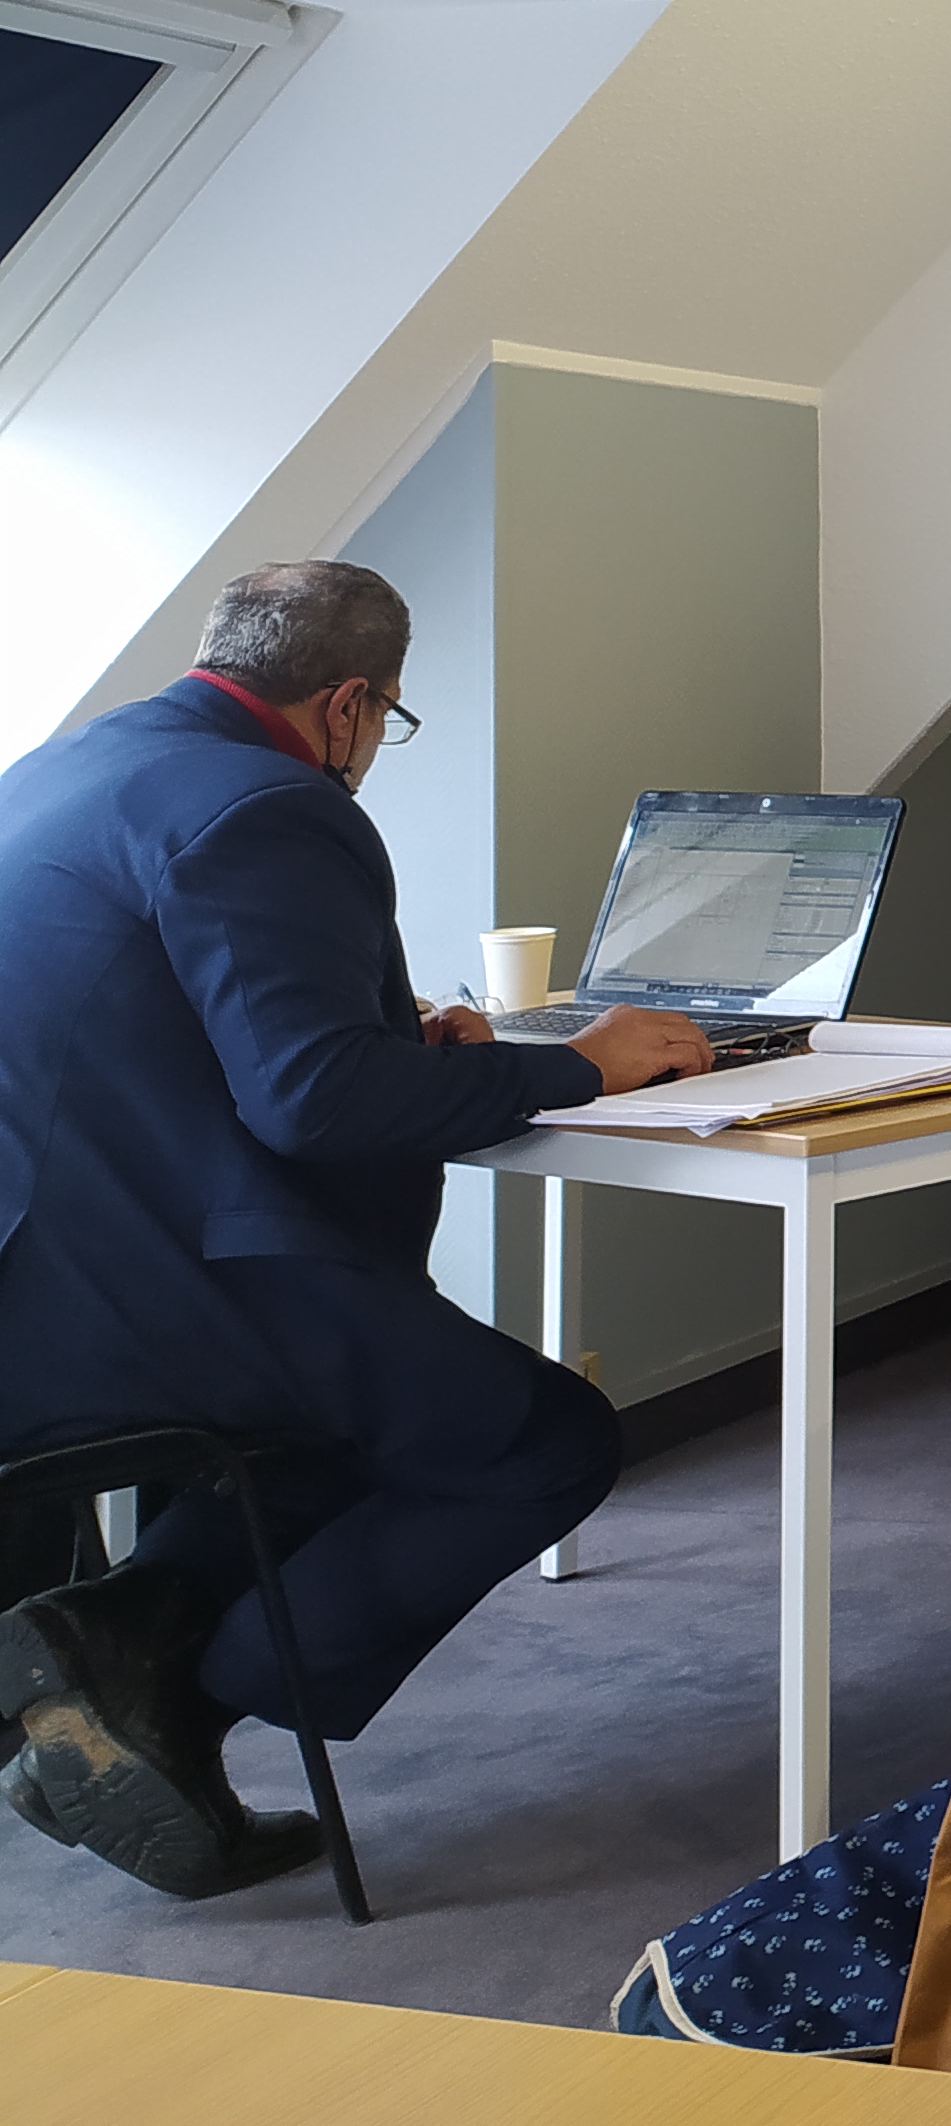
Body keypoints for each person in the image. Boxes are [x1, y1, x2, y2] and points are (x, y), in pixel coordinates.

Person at [0, 562, 712, 1898]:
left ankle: (112, 1652)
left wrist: (404, 1046)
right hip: (141, 1296)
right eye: (388, 717)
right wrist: (581, 1064)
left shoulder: (70, 765)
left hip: (50, 1270)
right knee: (541, 1440)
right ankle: (150, 1683)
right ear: (347, 705)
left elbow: (165, 1032)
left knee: (344, 1431)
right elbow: (314, 1102)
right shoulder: (267, 803)